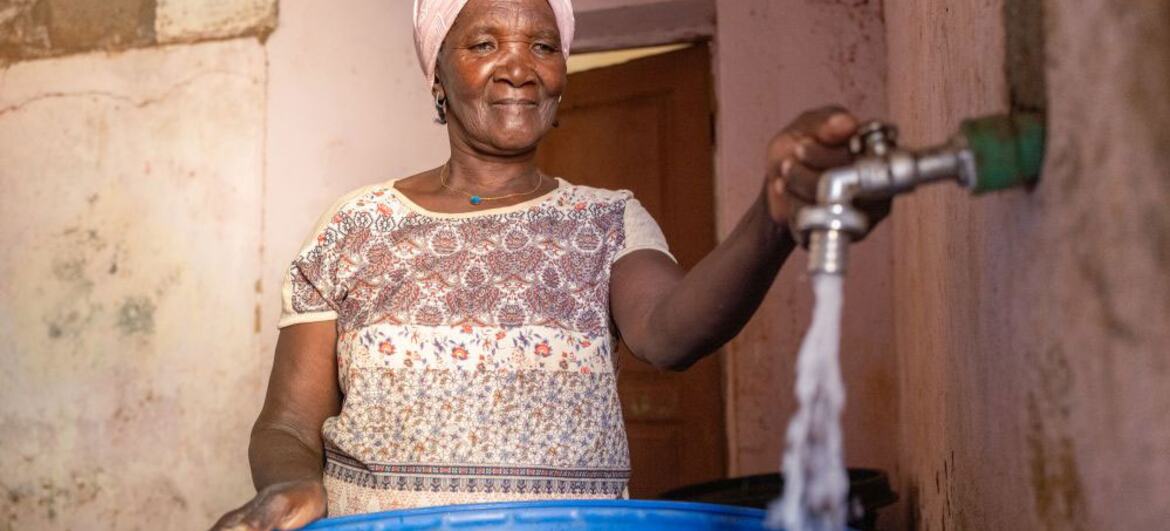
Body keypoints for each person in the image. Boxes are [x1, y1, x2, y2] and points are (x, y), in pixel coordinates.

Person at [212, 0, 888, 529]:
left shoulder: (608, 221)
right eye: (484, 43)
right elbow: (289, 424)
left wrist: (774, 217)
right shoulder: (353, 229)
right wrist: (290, 480)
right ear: (437, 74)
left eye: (542, 45)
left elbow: (671, 332)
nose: (519, 65)